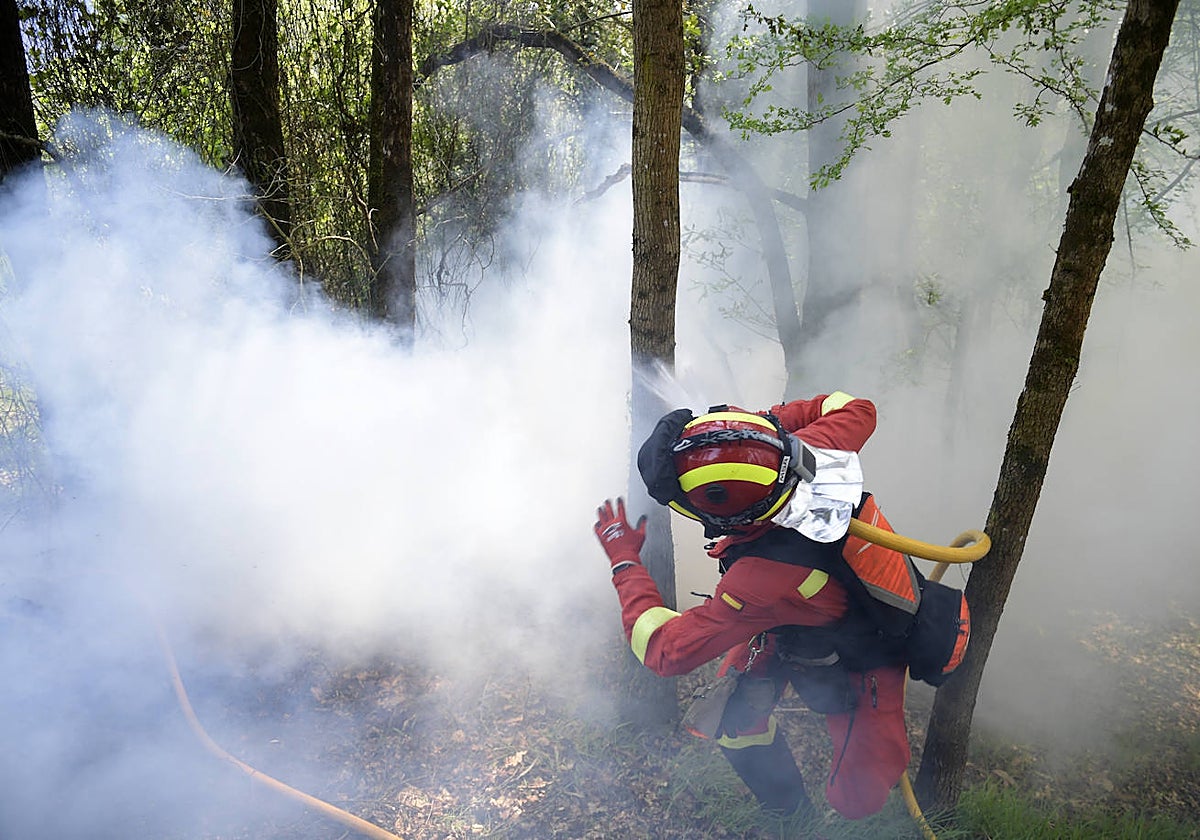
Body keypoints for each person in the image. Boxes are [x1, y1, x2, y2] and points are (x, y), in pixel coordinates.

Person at [593, 392, 966, 822]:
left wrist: (624, 562)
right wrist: (760, 433)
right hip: (790, 622)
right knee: (735, 721)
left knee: (856, 799)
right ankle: (792, 815)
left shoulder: (757, 580)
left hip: (866, 657)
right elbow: (856, 408)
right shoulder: (810, 448)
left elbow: (664, 649)